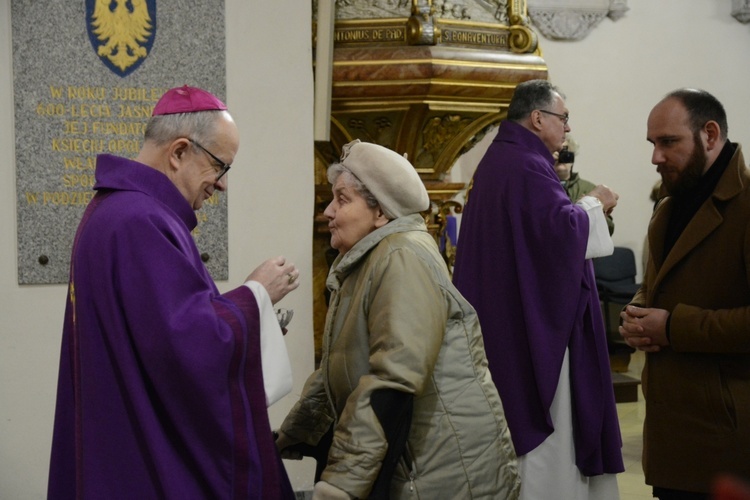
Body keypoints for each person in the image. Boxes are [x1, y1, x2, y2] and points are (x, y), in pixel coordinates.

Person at [47, 85, 299, 499]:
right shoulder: (140, 221)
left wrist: (246, 319)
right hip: (141, 461)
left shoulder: (117, 211)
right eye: (220, 166)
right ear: (180, 152)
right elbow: (186, 346)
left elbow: (159, 334)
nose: (221, 185)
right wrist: (255, 297)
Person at [276, 139, 520, 499]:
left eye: (342, 200)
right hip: (414, 464)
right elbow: (339, 368)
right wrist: (290, 435)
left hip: (441, 473)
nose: (329, 211)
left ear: (381, 212)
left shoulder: (402, 256)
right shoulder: (370, 258)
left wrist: (343, 482)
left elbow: (392, 378)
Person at [452, 79, 625, 499]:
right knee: (554, 427)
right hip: (535, 326)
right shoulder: (526, 164)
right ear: (537, 118)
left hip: (508, 314)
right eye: (563, 119)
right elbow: (560, 235)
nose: (567, 129)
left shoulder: (505, 157)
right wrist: (594, 204)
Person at [620, 88, 750, 499]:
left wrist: (673, 327)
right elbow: (659, 287)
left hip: (727, 440)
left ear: (710, 135)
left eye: (668, 142)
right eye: (653, 143)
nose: (656, 156)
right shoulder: (670, 206)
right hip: (674, 437)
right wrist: (638, 314)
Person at [554, 137, 615, 235]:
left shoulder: (590, 189)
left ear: (573, 157)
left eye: (566, 152)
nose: (562, 157)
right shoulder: (543, 186)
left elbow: (609, 230)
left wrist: (595, 211)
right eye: (558, 151)